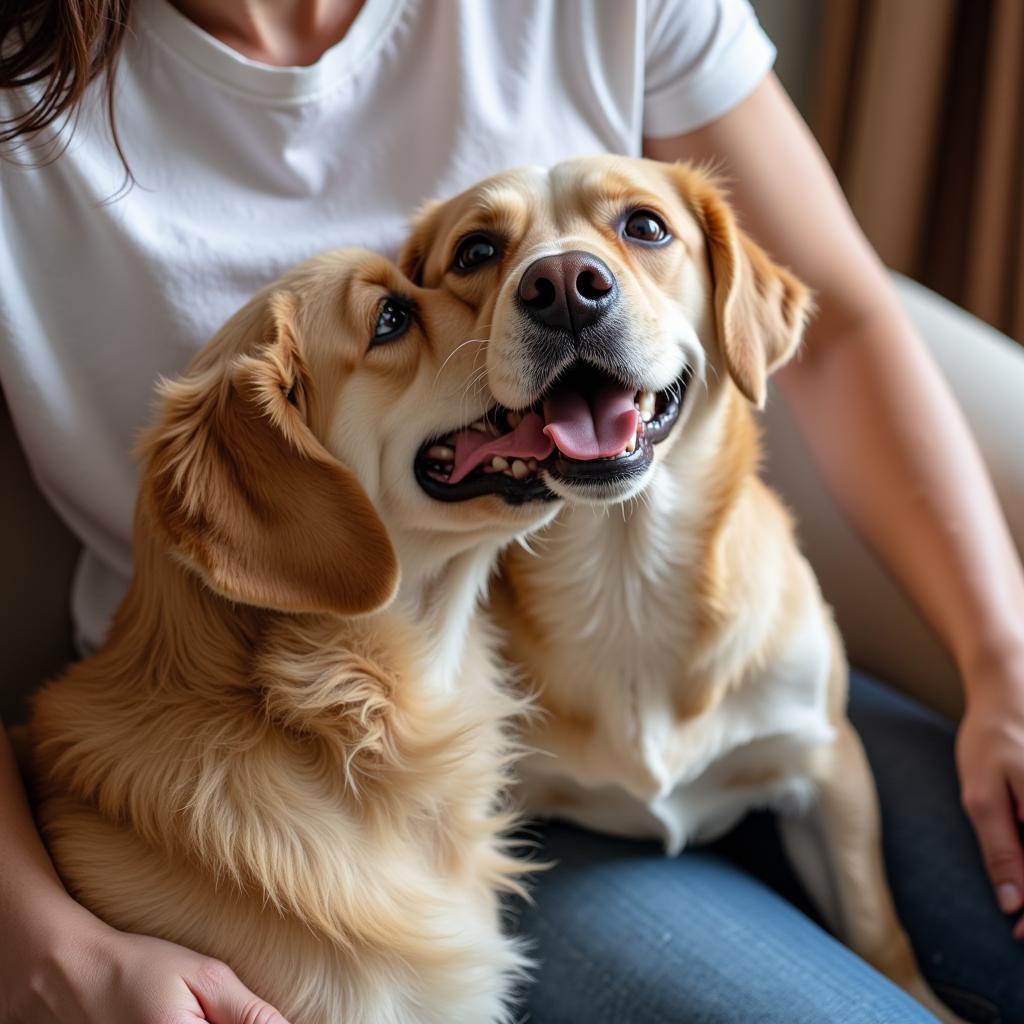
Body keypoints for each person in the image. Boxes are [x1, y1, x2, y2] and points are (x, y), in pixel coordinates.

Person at [1, 1, 1022, 1021]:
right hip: (450, 774)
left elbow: (841, 321)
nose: (542, 293)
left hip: (697, 680)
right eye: (468, 269)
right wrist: (44, 941)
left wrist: (1001, 662)